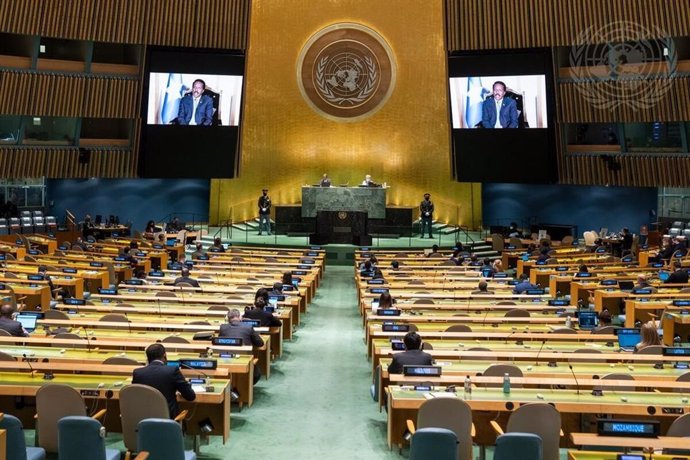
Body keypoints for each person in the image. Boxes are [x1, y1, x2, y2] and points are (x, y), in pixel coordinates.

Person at [132, 343, 196, 418]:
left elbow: (135, 396)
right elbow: (190, 396)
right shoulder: (172, 371)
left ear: (148, 358)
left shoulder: (138, 373)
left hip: (144, 419)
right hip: (168, 419)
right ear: (164, 355)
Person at [219, 309, 264, 384]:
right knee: (257, 373)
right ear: (239, 317)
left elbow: (220, 341)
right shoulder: (248, 327)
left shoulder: (223, 327)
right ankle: (246, 386)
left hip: (226, 359)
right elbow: (260, 343)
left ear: (228, 319)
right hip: (244, 359)